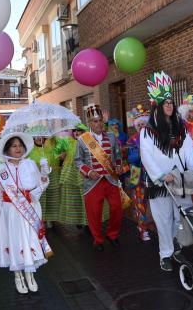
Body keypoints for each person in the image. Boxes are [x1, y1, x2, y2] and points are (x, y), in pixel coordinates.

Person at [139, 71, 193, 272]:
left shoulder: (181, 128)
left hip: (181, 180)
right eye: (165, 103)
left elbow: (188, 150)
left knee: (182, 215)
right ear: (157, 106)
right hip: (160, 183)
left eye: (170, 102)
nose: (169, 105)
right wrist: (160, 175)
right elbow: (146, 156)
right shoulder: (148, 131)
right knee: (163, 218)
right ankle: (165, 254)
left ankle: (177, 244)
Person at [0, 132, 52, 294]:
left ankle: (30, 274)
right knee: (15, 241)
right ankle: (18, 276)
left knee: (29, 241)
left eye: (20, 146)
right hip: (10, 211)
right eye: (14, 146)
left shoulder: (30, 164)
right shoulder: (0, 170)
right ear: (7, 150)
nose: (18, 149)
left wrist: (44, 174)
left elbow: (41, 185)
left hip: (29, 209)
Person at [74, 104, 124, 252]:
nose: (99, 124)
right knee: (94, 212)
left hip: (110, 179)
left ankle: (112, 235)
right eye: (95, 121)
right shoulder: (83, 140)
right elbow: (77, 160)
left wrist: (119, 165)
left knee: (117, 208)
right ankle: (98, 239)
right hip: (92, 182)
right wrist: (89, 172)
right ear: (89, 123)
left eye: (100, 120)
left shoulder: (111, 137)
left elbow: (117, 155)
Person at [126, 104, 151, 242]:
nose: (142, 126)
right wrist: (140, 154)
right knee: (139, 203)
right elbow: (130, 158)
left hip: (153, 176)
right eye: (139, 124)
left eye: (144, 123)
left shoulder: (154, 138)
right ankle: (143, 229)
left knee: (154, 204)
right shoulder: (133, 140)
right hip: (138, 174)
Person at [56, 124, 90, 227]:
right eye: (76, 131)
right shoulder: (67, 142)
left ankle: (88, 222)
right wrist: (61, 156)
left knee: (86, 199)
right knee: (74, 200)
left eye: (81, 131)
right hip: (70, 175)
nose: (78, 133)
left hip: (84, 174)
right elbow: (56, 152)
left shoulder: (89, 143)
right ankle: (79, 220)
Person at [28, 131, 61, 228]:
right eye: (36, 135)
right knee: (41, 198)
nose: (39, 137)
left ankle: (51, 219)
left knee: (52, 197)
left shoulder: (51, 144)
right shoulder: (29, 148)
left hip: (52, 175)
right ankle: (42, 219)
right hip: (37, 177)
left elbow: (58, 157)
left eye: (41, 135)